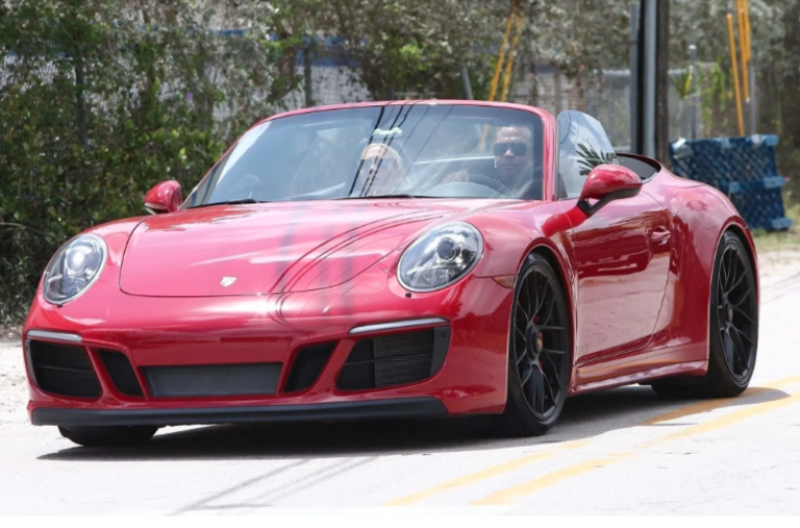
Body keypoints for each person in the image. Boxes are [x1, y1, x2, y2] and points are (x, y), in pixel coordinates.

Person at [445, 126, 536, 197]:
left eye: (518, 148)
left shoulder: (541, 188)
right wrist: (455, 182)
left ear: (532, 154)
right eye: (501, 148)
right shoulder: (476, 179)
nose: (508, 154)